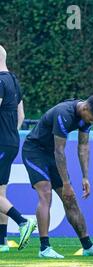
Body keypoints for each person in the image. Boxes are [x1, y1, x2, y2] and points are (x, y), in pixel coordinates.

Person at [22, 95, 93, 258]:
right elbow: (59, 151)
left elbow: (83, 146)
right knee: (46, 193)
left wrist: (85, 177)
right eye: (92, 118)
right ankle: (44, 248)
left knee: (70, 200)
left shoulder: (86, 118)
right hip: (34, 151)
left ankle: (88, 246)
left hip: (51, 154)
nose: (92, 122)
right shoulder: (64, 113)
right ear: (85, 109)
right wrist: (66, 183)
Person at [0, 45, 36, 252]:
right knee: (1, 191)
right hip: (11, 141)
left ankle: (22, 222)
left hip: (2, 142)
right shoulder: (13, 80)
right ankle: (2, 242)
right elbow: (20, 116)